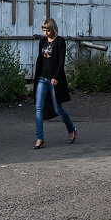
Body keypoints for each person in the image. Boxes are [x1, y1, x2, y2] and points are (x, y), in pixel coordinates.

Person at [33, 17, 76, 149]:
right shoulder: (42, 42)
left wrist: (56, 77)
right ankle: (39, 138)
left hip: (54, 80)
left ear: (53, 29)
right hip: (42, 78)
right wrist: (37, 75)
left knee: (58, 109)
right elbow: (40, 59)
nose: (46, 33)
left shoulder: (60, 42)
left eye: (48, 30)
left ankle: (71, 129)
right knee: (38, 108)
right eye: (44, 30)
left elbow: (61, 61)